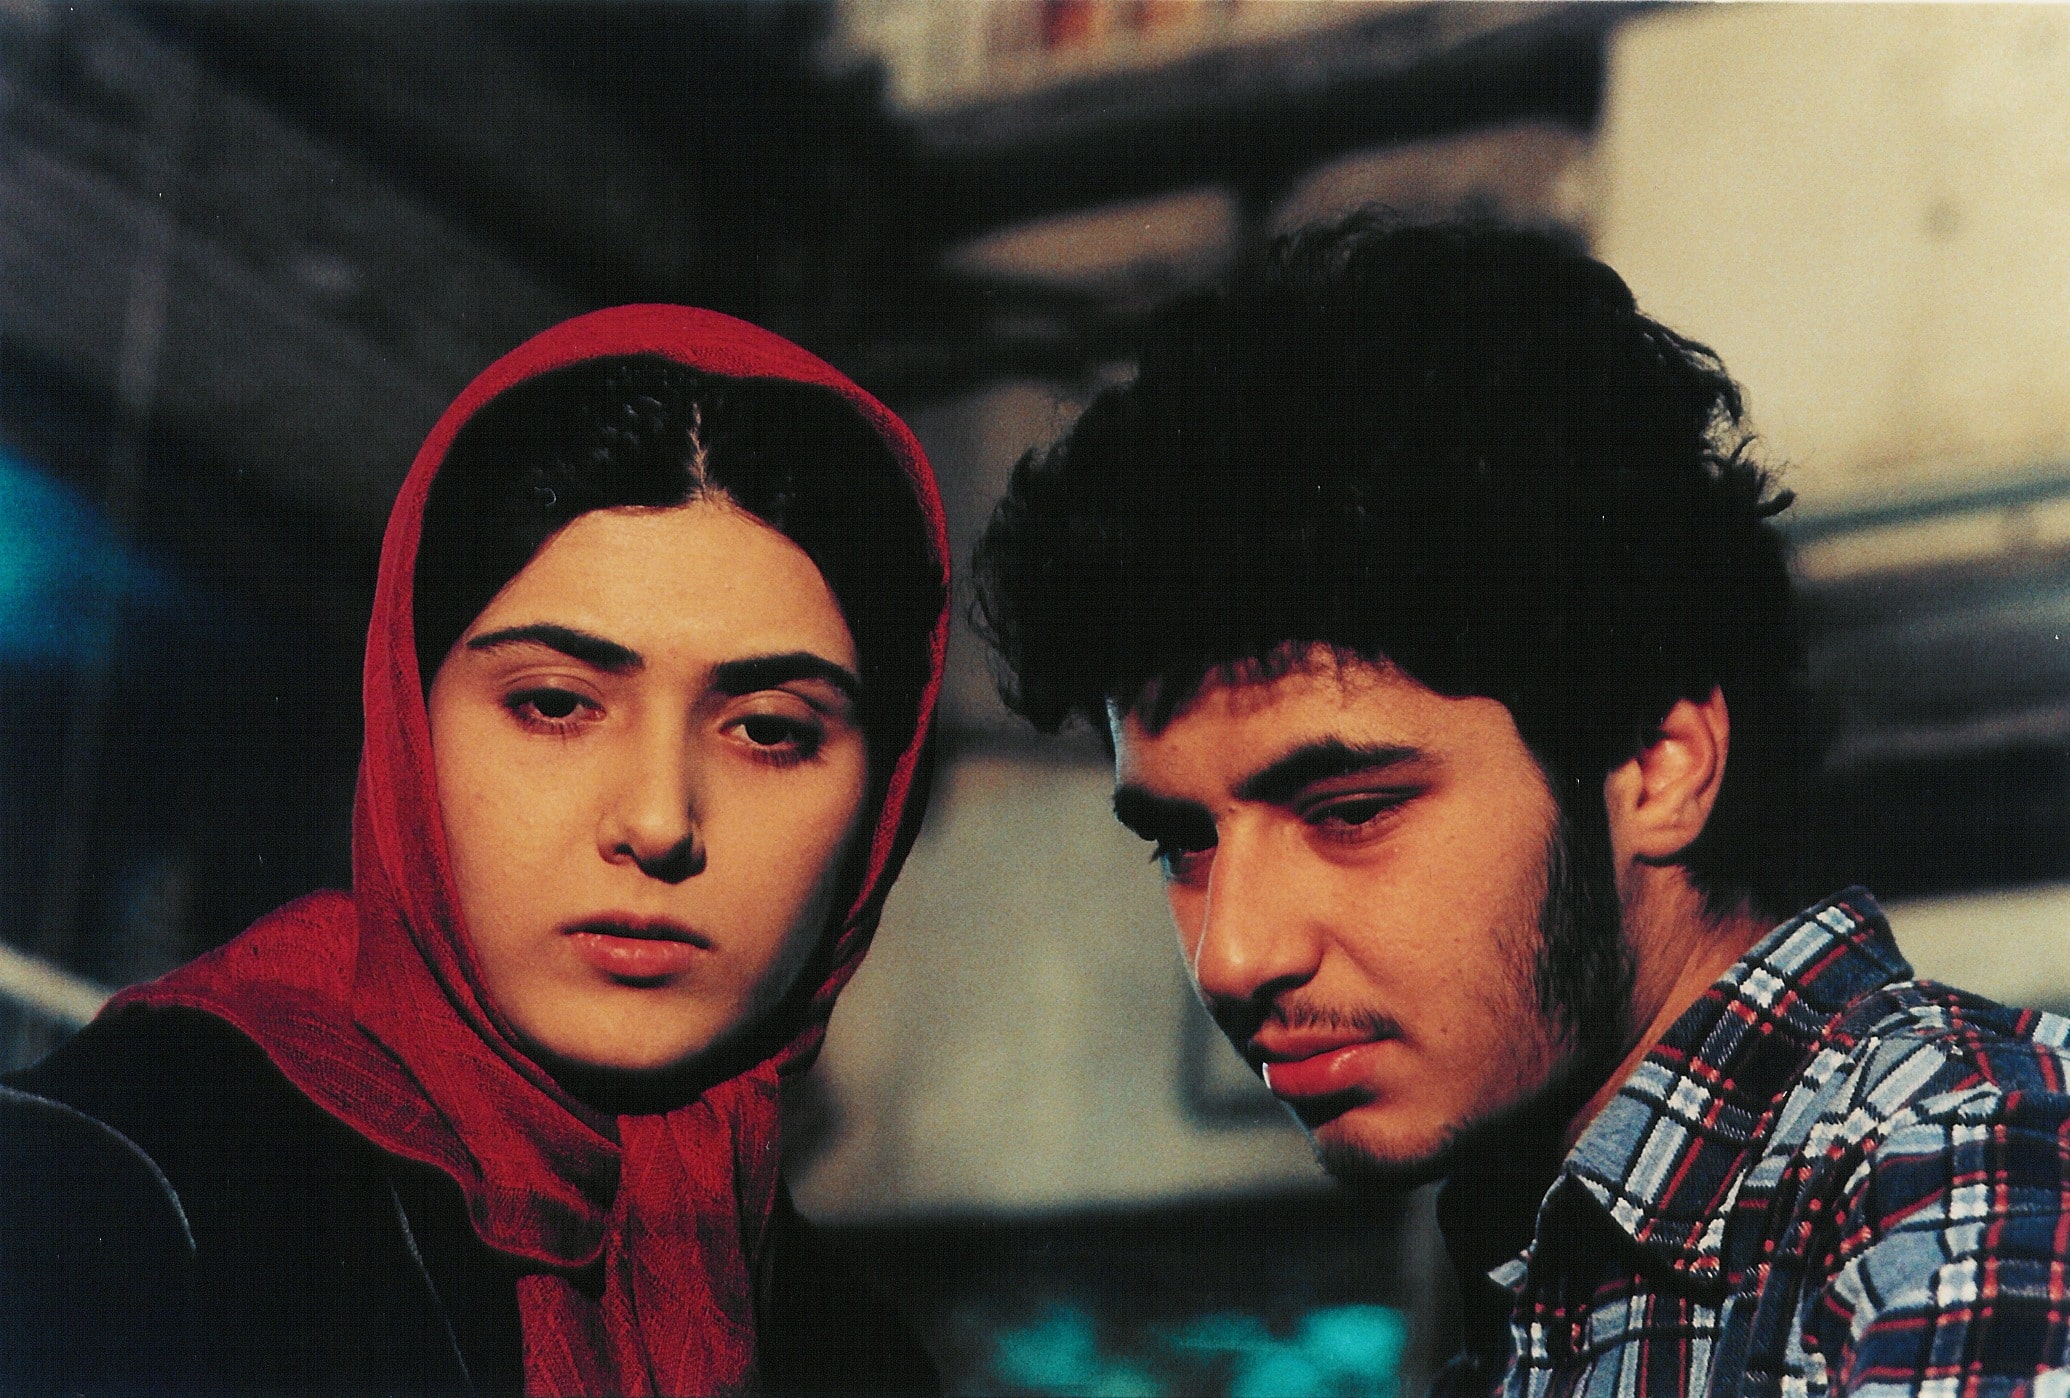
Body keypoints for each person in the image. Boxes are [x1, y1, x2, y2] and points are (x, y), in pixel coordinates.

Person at [972, 218, 2070, 1396]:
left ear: (1657, 765)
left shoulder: (1966, 1165)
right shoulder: (1550, 1280)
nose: (1234, 957)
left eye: (1351, 812)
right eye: (1183, 842)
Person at [0, 305, 949, 1395]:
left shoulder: (853, 1357)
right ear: (410, 722)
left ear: (882, 804)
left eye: (770, 731)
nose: (657, 821)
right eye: (554, 704)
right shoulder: (108, 1185)